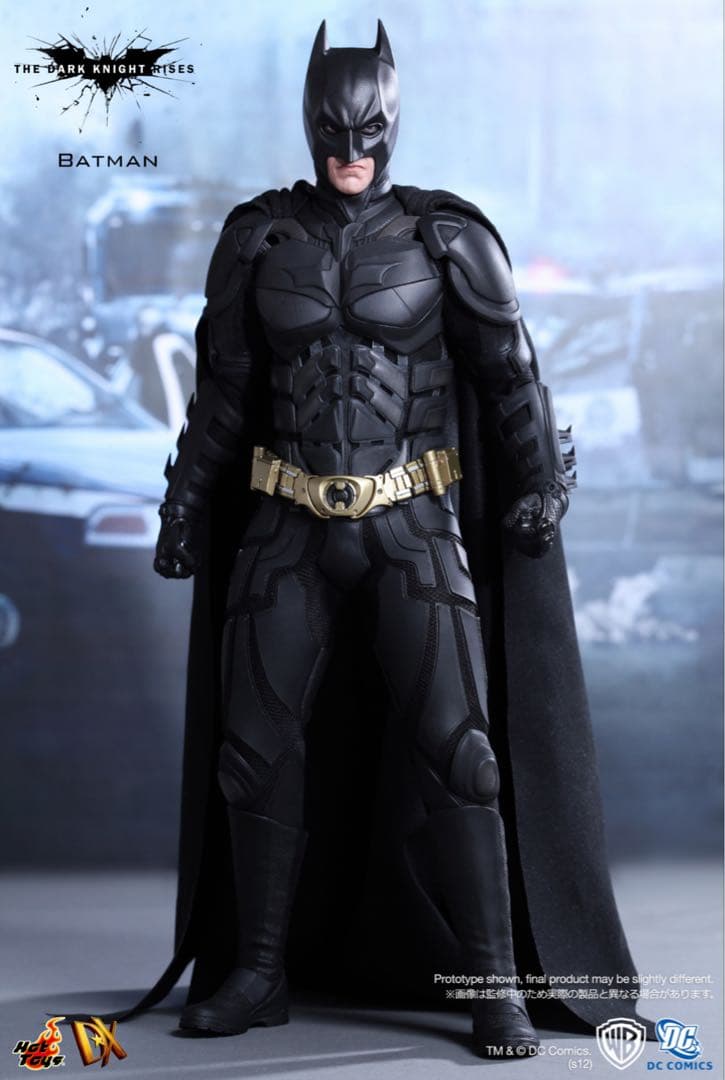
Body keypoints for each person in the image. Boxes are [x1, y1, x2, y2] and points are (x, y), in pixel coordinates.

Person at [152, 20, 645, 1060]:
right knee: (253, 753)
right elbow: (223, 394)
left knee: (462, 756)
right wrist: (184, 506)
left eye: (367, 130)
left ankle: (493, 986)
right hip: (287, 522)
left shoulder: (446, 239)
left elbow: (511, 378)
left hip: (412, 522)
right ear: (308, 124)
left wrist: (540, 491)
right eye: (333, 130)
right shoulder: (257, 240)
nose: (350, 149)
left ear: (391, 124)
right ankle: (258, 972)